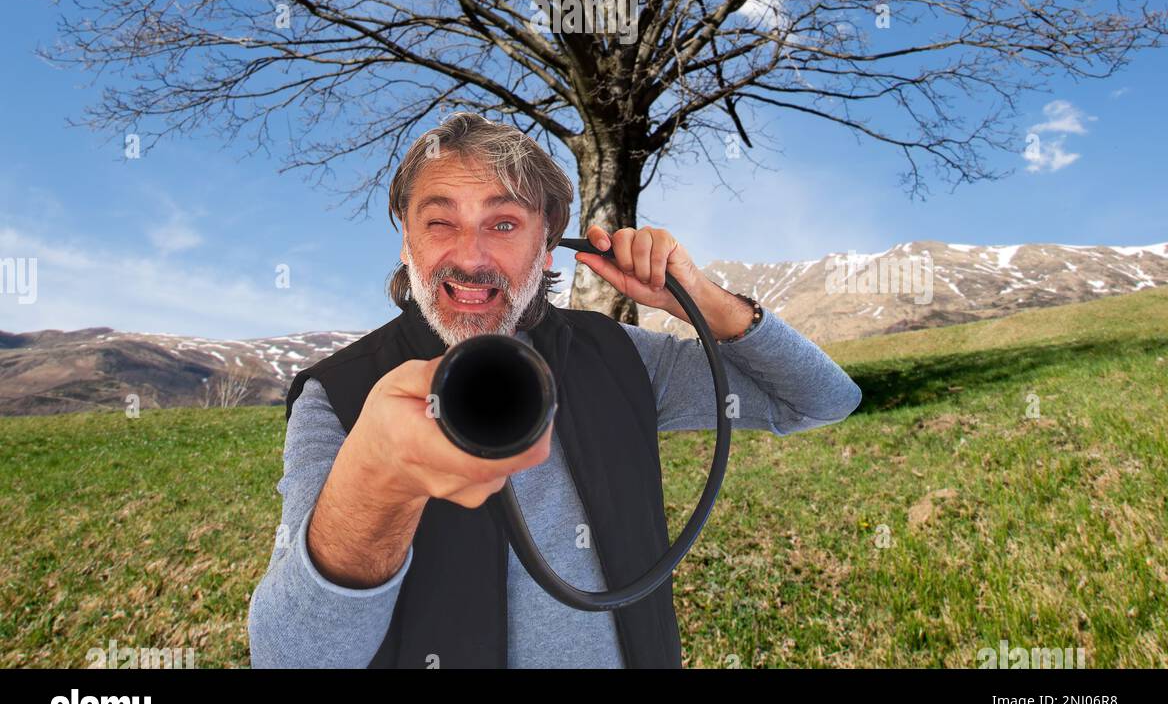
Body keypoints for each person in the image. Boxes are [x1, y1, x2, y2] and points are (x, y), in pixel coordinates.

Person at [248, 110, 862, 668]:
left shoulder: (619, 357)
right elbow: (295, 657)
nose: (471, 256)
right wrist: (375, 485)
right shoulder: (338, 392)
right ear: (406, 241)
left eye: (505, 222)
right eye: (439, 222)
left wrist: (703, 301)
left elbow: (820, 400)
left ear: (547, 248)